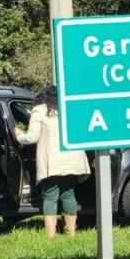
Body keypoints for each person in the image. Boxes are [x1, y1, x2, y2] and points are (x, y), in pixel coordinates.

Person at [15, 86, 90, 237]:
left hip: (52, 161)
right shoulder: (69, 109)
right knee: (69, 194)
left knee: (50, 196)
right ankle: (71, 233)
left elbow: (32, 138)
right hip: (72, 160)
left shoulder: (39, 110)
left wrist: (18, 135)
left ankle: (50, 234)